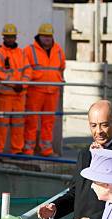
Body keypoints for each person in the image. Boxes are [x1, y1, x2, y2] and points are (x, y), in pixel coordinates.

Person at [24, 23, 66, 156]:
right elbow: (25, 68)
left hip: (52, 91)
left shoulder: (58, 50)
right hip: (35, 90)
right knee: (31, 120)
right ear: (39, 36)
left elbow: (61, 67)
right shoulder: (29, 50)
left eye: (49, 36)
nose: (47, 38)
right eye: (44, 36)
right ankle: (28, 149)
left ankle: (46, 149)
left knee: (48, 122)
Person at [0, 23, 30, 154]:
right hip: (5, 96)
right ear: (3, 38)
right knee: (1, 124)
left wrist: (22, 84)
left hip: (19, 96)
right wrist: (15, 84)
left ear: (15, 37)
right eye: (7, 37)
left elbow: (28, 70)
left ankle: (17, 150)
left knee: (18, 125)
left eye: (12, 36)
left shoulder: (21, 53)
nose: (10, 39)